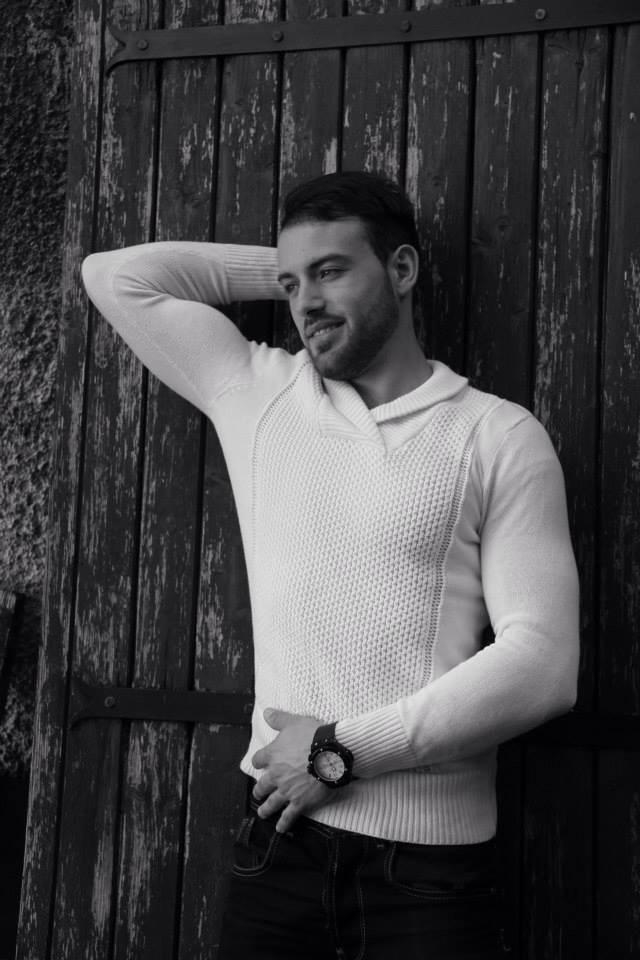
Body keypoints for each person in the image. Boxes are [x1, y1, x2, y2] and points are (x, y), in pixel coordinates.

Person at [82, 171, 580, 959]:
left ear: (404, 269)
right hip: (279, 846)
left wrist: (339, 752)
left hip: (430, 873)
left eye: (332, 272)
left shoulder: (498, 436)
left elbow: (544, 666)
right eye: (291, 285)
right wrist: (299, 266)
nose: (305, 304)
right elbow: (114, 276)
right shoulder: (258, 394)